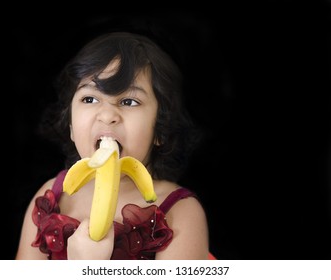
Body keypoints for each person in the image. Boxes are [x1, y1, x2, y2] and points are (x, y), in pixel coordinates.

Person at [15, 31, 213, 260]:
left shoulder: (181, 213)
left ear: (160, 129)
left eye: (129, 101)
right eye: (89, 99)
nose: (107, 115)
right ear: (70, 125)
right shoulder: (51, 196)